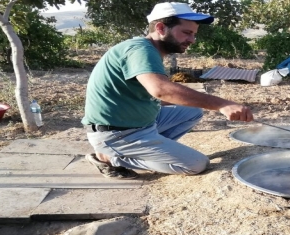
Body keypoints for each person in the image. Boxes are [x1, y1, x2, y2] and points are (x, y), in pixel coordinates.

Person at [82, 2, 254, 179]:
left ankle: (148, 149)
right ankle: (112, 158)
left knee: (192, 112)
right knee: (196, 164)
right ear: (161, 28)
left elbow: (151, 95)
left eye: (194, 34)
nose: (192, 40)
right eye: (187, 33)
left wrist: (205, 103)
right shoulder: (140, 50)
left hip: (138, 123)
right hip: (117, 133)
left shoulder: (148, 50)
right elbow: (160, 90)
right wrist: (222, 104)